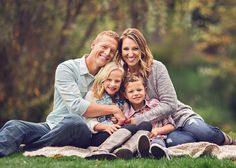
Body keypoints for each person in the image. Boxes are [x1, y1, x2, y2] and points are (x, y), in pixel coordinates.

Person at [0, 30, 126, 157]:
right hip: (53, 126)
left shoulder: (109, 76)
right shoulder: (67, 68)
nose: (107, 53)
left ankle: (32, 147)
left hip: (85, 130)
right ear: (93, 45)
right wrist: (112, 109)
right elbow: (76, 105)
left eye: (112, 51)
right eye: (104, 47)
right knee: (15, 125)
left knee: (74, 122)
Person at [115, 28, 236, 147]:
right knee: (178, 142)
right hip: (160, 128)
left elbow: (170, 104)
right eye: (126, 49)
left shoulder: (156, 68)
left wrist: (139, 120)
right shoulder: (118, 72)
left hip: (177, 117)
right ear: (120, 51)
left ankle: (227, 140)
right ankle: (188, 136)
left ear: (142, 49)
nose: (130, 54)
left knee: (205, 133)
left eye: (135, 48)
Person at [85, 61, 152, 160]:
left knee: (146, 125)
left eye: (117, 81)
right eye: (109, 80)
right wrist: (105, 127)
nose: (112, 84)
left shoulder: (122, 100)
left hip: (118, 132)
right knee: (132, 127)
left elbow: (123, 120)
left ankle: (125, 150)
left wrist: (119, 121)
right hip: (100, 135)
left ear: (121, 83)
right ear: (102, 79)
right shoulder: (93, 95)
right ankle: (102, 150)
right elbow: (87, 121)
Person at [122, 74, 174, 159]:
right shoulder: (128, 115)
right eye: (131, 91)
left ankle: (158, 152)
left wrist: (157, 130)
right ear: (125, 95)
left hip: (157, 138)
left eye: (139, 90)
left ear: (145, 91)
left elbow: (171, 126)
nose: (136, 94)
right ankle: (142, 152)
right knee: (136, 144)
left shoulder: (155, 105)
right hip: (137, 142)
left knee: (156, 144)